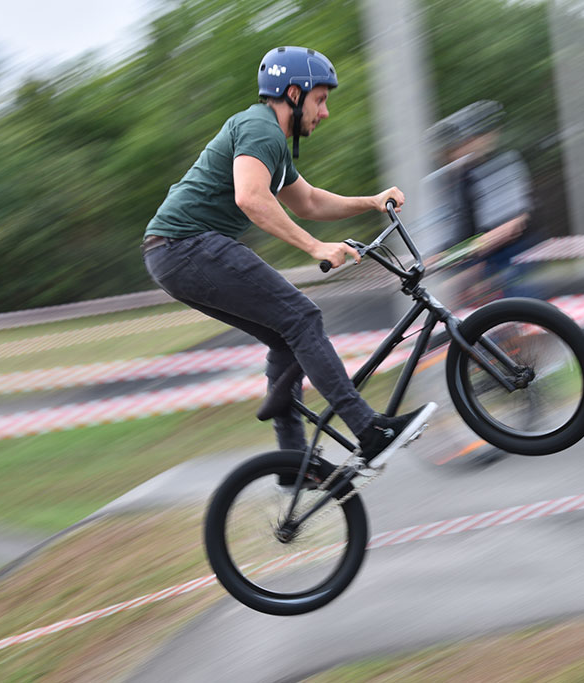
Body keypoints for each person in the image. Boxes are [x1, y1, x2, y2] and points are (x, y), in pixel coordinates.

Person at [141, 46, 435, 466]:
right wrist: (315, 247)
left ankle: (293, 462)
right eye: (321, 99)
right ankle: (369, 432)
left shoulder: (270, 141)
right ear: (293, 94)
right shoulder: (260, 128)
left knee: (286, 334)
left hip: (174, 254)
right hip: (186, 246)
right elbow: (250, 196)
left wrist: (371, 202)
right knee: (302, 318)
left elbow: (310, 202)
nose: (326, 112)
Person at [418, 100, 537, 307]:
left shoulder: (500, 165)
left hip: (506, 259)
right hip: (476, 262)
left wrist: (464, 257)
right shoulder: (454, 177)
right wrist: (431, 262)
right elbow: (451, 229)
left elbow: (512, 225)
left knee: (515, 318)